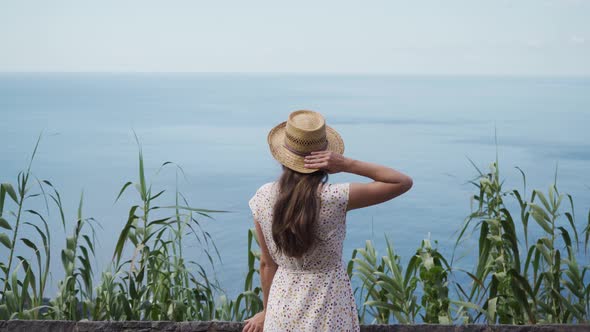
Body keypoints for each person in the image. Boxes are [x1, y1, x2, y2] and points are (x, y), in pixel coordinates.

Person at [243, 110, 413, 332]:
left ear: (284, 156)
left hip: (280, 309)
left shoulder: (263, 197)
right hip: (328, 310)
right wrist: (347, 164)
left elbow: (267, 264)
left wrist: (267, 311)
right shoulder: (334, 198)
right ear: (326, 158)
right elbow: (402, 182)